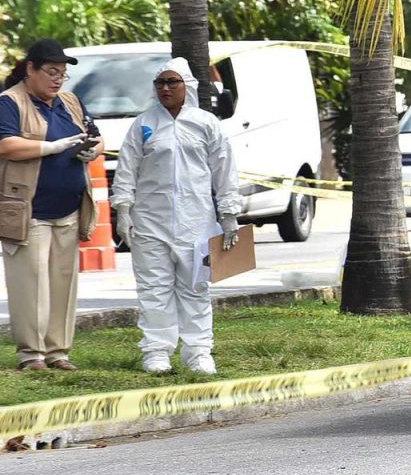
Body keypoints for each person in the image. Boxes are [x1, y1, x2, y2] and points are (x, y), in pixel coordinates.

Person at [110, 58, 241, 375]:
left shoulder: (206, 124)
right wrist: (123, 211)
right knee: (154, 289)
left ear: (188, 86)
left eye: (172, 82)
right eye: (160, 83)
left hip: (196, 221)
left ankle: (198, 351)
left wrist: (229, 214)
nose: (165, 88)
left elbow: (224, 171)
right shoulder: (143, 124)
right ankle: (157, 351)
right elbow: (127, 171)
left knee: (195, 288)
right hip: (149, 222)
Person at [0, 40, 101, 371]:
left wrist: (92, 149)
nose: (58, 80)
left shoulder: (69, 101)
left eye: (63, 74)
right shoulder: (9, 102)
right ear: (31, 69)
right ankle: (32, 355)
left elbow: (96, 135)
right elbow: (7, 145)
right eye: (52, 72)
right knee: (30, 284)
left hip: (68, 208)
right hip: (29, 209)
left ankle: (59, 352)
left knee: (63, 283)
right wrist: (52, 146)